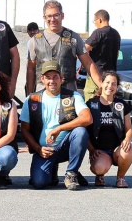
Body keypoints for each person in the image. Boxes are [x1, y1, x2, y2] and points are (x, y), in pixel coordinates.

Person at [20, 61, 92, 190]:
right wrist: (37, 149)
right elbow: (24, 130)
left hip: (65, 147)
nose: (52, 81)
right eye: (48, 77)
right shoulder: (32, 99)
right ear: (42, 79)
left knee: (80, 132)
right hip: (43, 150)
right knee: (39, 183)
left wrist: (59, 128)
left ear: (61, 78)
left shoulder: (72, 96)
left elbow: (87, 118)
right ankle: (52, 170)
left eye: (55, 77)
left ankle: (72, 172)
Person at [26, 0, 101, 94]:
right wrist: (30, 95)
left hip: (68, 93)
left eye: (56, 15)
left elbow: (88, 63)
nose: (52, 19)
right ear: (44, 18)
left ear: (62, 16)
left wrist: (100, 85)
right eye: (49, 16)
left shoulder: (73, 37)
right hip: (43, 93)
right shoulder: (35, 41)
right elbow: (31, 69)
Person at [86, 71, 132, 188]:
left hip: (117, 148)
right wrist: (92, 150)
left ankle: (120, 178)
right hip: (100, 150)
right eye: (107, 82)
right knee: (99, 167)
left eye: (114, 84)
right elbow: (84, 132)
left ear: (117, 87)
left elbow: (129, 129)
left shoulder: (121, 105)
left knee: (127, 151)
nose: (110, 86)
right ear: (101, 84)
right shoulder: (91, 104)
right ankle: (100, 175)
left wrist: (127, 140)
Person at [84, 10, 121, 100]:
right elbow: (117, 54)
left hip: (96, 75)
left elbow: (84, 49)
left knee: (91, 102)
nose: (95, 23)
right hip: (110, 77)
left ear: (100, 20)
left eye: (94, 21)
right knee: (106, 103)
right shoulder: (116, 34)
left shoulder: (98, 32)